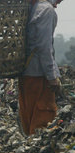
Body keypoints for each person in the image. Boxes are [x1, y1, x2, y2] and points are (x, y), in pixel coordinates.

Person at [18, 0, 64, 135]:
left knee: (28, 115)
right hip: (39, 75)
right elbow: (44, 47)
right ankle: (38, 151)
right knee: (43, 117)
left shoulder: (32, 7)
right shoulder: (47, 10)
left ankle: (30, 149)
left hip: (25, 72)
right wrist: (52, 76)